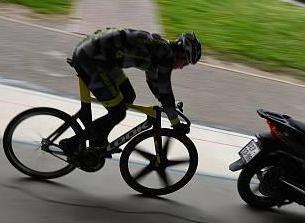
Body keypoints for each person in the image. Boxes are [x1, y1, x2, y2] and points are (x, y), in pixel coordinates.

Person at [60, 28, 202, 156]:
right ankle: (71, 143)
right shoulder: (165, 56)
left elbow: (155, 83)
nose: (182, 67)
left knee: (128, 95)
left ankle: (100, 141)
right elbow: (165, 89)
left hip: (101, 57)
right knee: (118, 112)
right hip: (91, 61)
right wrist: (175, 123)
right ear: (181, 53)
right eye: (186, 62)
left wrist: (169, 106)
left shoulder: (161, 48)